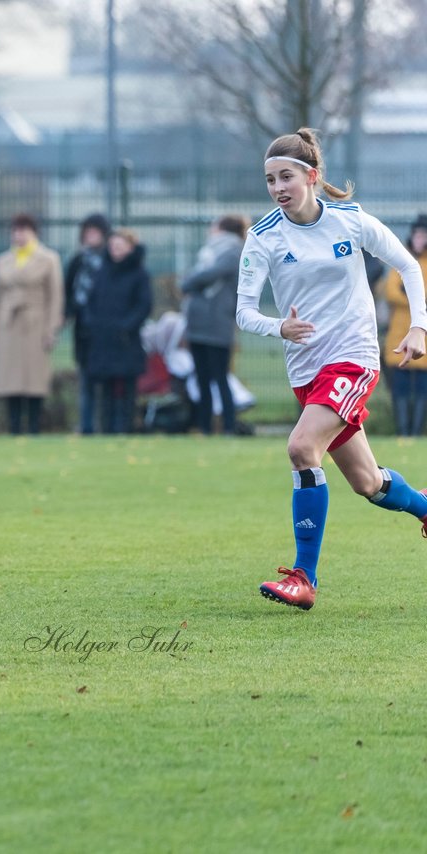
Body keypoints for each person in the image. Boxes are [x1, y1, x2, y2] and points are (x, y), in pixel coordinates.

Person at [236, 128, 427, 610]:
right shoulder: (263, 238)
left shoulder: (349, 220)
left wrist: (419, 327)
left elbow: (409, 266)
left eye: (287, 177)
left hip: (353, 358)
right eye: (270, 180)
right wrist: (280, 328)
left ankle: (304, 578)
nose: (278, 188)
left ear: (312, 177)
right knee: (368, 483)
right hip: (307, 372)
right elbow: (243, 313)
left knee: (301, 447)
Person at [0, 213, 63, 435]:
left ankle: (34, 427)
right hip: (9, 326)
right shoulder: (3, 260)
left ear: (34, 233)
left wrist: (50, 329)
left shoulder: (48, 259)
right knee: (10, 379)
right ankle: (14, 427)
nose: (19, 235)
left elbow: (55, 296)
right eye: (16, 231)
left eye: (24, 230)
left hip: (35, 323)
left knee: (34, 379)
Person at [180, 215, 246, 435]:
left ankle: (228, 426)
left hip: (218, 326)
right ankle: (205, 427)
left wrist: (188, 282)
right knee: (202, 379)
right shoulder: (210, 252)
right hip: (198, 325)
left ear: (223, 229)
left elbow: (207, 276)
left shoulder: (233, 252)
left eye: (214, 226)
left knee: (221, 378)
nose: (210, 230)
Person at [84, 229, 152, 434]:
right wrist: (94, 323)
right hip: (103, 339)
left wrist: (126, 326)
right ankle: (105, 429)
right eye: (113, 246)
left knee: (128, 387)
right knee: (105, 387)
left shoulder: (139, 274)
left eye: (120, 246)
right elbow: (91, 300)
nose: (115, 250)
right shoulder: (101, 271)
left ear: (130, 248)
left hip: (126, 340)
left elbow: (143, 305)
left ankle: (127, 427)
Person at [64, 213, 111, 434]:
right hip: (83, 329)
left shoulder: (111, 260)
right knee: (86, 381)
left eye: (95, 231)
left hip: (107, 329)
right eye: (87, 232)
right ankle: (86, 426)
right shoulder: (78, 261)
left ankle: (107, 426)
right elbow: (68, 293)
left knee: (107, 383)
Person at [381, 214, 427, 437]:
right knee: (399, 389)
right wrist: (417, 300)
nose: (419, 240)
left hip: (422, 337)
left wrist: (407, 296)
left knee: (421, 391)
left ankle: (415, 432)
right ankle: (402, 432)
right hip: (399, 335)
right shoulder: (403, 261)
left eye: (423, 235)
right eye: (417, 235)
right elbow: (390, 291)